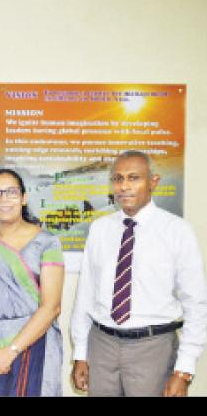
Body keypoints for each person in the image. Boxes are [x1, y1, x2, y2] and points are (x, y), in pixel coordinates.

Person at [71, 150, 207, 397]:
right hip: (102, 346)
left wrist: (183, 370)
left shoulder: (177, 231)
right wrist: (80, 353)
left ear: (153, 181)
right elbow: (85, 295)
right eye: (118, 178)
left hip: (153, 348)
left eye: (133, 178)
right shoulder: (100, 229)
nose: (124, 186)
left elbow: (196, 304)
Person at [0, 168, 65, 396]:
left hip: (32, 344)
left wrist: (11, 351)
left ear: (24, 198)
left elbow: (52, 307)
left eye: (11, 192)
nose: (3, 199)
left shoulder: (47, 242)